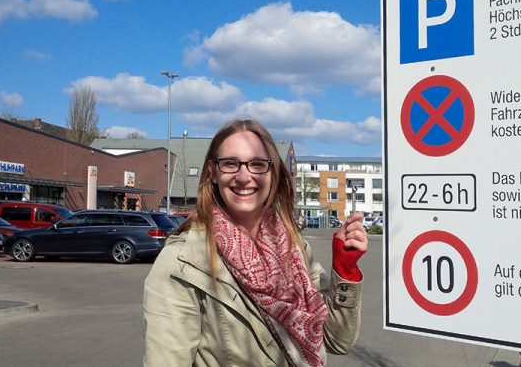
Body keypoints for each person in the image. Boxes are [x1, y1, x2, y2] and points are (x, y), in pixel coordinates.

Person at [143, 119, 368, 366]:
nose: (243, 176)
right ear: (212, 172)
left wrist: (344, 271)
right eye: (230, 164)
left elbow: (337, 341)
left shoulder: (293, 247)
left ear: (273, 173)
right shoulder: (182, 262)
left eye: (257, 164)